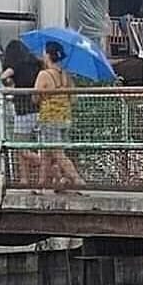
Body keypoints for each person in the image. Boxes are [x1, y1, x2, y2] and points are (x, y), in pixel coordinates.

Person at [33, 41, 84, 190]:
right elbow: (73, 99)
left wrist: (45, 97)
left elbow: (35, 97)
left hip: (49, 119)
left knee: (58, 153)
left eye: (44, 52)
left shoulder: (44, 74)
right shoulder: (66, 75)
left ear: (48, 55)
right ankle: (40, 185)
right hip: (65, 118)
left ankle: (79, 181)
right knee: (46, 154)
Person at [0, 40, 41, 186]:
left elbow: (4, 77)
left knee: (19, 145)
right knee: (26, 145)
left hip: (23, 111)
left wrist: (9, 82)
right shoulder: (36, 64)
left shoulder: (16, 64)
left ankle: (40, 162)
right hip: (39, 109)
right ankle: (24, 179)